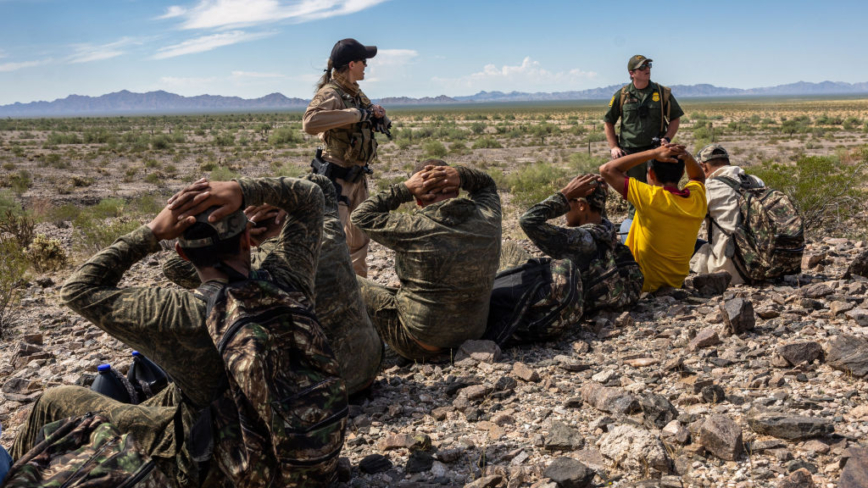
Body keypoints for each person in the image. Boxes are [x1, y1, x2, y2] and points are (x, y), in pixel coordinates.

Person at [13, 176, 344, 487]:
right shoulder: (290, 282)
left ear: (182, 251)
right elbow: (311, 196)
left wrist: (152, 232)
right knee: (172, 397)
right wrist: (242, 190)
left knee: (55, 400)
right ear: (247, 238)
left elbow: (77, 289)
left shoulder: (182, 314)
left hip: (217, 469)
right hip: (306, 459)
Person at [162, 174, 383, 395]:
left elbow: (174, 267)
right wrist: (266, 195)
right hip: (367, 369)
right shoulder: (330, 230)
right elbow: (321, 185)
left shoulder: (255, 271)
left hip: (317, 392)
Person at [351, 160, 501, 361]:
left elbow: (360, 215)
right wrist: (462, 175)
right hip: (472, 335)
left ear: (418, 201)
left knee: (346, 277)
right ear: (456, 191)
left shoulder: (412, 227)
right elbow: (487, 185)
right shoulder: (488, 216)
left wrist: (404, 189)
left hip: (418, 342)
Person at [304, 38, 389, 278]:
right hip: (337, 179)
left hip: (357, 178)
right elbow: (310, 122)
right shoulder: (331, 93)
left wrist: (377, 117)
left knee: (359, 242)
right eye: (363, 61)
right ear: (352, 64)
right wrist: (355, 115)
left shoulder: (356, 93)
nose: (366, 66)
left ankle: (361, 296)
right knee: (328, 241)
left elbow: (365, 116)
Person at [517, 174, 643, 313]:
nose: (565, 212)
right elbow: (595, 212)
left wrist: (564, 194)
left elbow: (527, 221)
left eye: (568, 203)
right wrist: (599, 197)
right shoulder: (606, 227)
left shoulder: (580, 240)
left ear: (581, 205)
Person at [599, 144, 707, 293]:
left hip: (642, 283)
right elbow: (698, 177)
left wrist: (653, 153)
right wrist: (686, 156)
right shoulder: (695, 199)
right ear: (682, 173)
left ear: (651, 173)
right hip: (675, 281)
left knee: (626, 225)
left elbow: (606, 169)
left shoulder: (650, 197)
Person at [603, 55, 685, 221]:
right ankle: (636, 228)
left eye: (648, 66)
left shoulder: (662, 93)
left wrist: (667, 138)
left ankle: (661, 223)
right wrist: (614, 147)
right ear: (632, 73)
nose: (647, 69)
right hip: (631, 154)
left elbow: (675, 118)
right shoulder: (622, 95)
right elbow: (608, 122)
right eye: (642, 67)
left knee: (660, 190)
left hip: (656, 152)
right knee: (635, 193)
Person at [690, 144, 765, 284]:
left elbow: (687, 221)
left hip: (730, 270)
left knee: (688, 244)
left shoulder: (710, 187)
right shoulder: (756, 181)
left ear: (703, 166)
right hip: (764, 265)